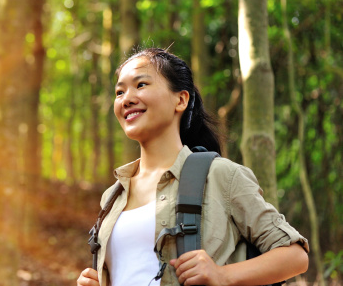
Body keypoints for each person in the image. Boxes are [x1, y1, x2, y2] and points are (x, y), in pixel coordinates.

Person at [77, 48, 309, 286]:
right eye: (119, 91)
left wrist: (222, 275)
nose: (127, 98)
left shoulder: (220, 176)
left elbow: (295, 255)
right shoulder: (113, 196)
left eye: (141, 85)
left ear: (181, 100)